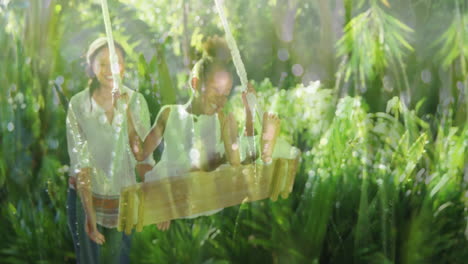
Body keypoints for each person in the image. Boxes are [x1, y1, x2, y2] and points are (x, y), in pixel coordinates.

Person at [126, 36, 278, 219]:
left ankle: (266, 149)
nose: (221, 100)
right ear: (196, 84)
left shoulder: (221, 119)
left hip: (206, 195)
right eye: (215, 91)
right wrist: (127, 114)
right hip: (173, 196)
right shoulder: (169, 114)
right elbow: (141, 153)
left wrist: (249, 112)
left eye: (226, 94)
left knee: (236, 159)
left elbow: (241, 155)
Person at [66, 37, 158, 264]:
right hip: (84, 196)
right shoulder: (79, 104)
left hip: (122, 199)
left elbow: (141, 155)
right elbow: (80, 161)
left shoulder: (136, 102)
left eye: (115, 62)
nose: (109, 69)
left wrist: (125, 112)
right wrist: (89, 212)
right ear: (91, 66)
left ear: (124, 65)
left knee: (119, 259)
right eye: (102, 63)